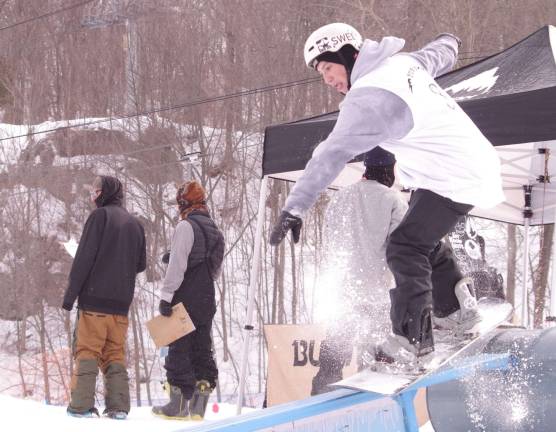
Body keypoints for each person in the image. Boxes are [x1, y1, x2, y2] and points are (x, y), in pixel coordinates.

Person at [269, 23, 505, 360]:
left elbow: (330, 153)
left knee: (404, 247)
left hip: (454, 175)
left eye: (328, 68)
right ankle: (457, 309)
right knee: (422, 241)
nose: (328, 80)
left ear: (349, 55)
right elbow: (438, 56)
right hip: (451, 169)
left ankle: (412, 340)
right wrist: (450, 38)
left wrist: (295, 207)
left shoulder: (368, 98)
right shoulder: (401, 63)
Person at [311, 146, 408, 395]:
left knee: (331, 361)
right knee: (374, 367)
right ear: (389, 170)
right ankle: (369, 412)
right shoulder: (393, 200)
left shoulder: (340, 197)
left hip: (342, 295)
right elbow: (400, 250)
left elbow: (331, 242)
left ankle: (321, 411)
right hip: (376, 296)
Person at [62, 175, 146, 419]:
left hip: (94, 301)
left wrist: (70, 297)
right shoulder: (135, 223)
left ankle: (80, 407)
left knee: (87, 350)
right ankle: (118, 407)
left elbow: (83, 259)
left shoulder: (99, 217)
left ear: (106, 192)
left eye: (97, 191)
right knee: (114, 354)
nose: (93, 195)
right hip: (121, 305)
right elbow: (140, 264)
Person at [152, 180, 224, 420]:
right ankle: (198, 405)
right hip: (207, 297)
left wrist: (166, 296)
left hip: (185, 295)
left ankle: (178, 404)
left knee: (178, 347)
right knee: (202, 347)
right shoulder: (215, 230)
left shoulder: (185, 226)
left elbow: (178, 266)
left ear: (185, 202)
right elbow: (212, 268)